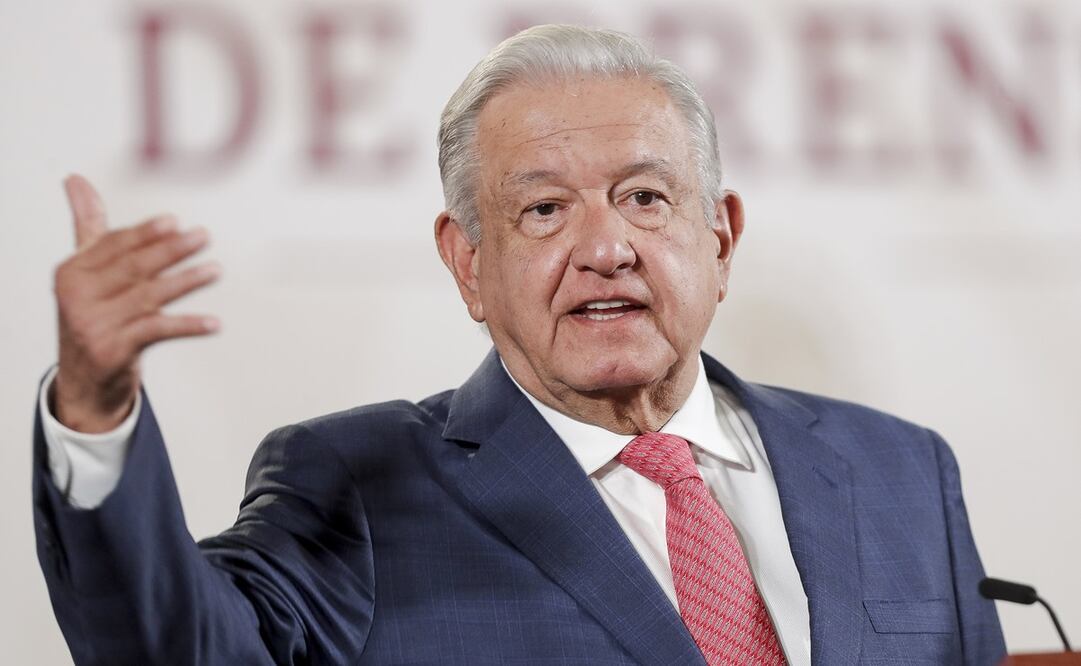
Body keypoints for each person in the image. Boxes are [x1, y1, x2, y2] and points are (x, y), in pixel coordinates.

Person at [33, 24, 1006, 665]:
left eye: (645, 197)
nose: (605, 247)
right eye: (543, 209)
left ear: (719, 238)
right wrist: (94, 407)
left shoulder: (899, 470)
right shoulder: (358, 487)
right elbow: (175, 650)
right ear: (467, 264)